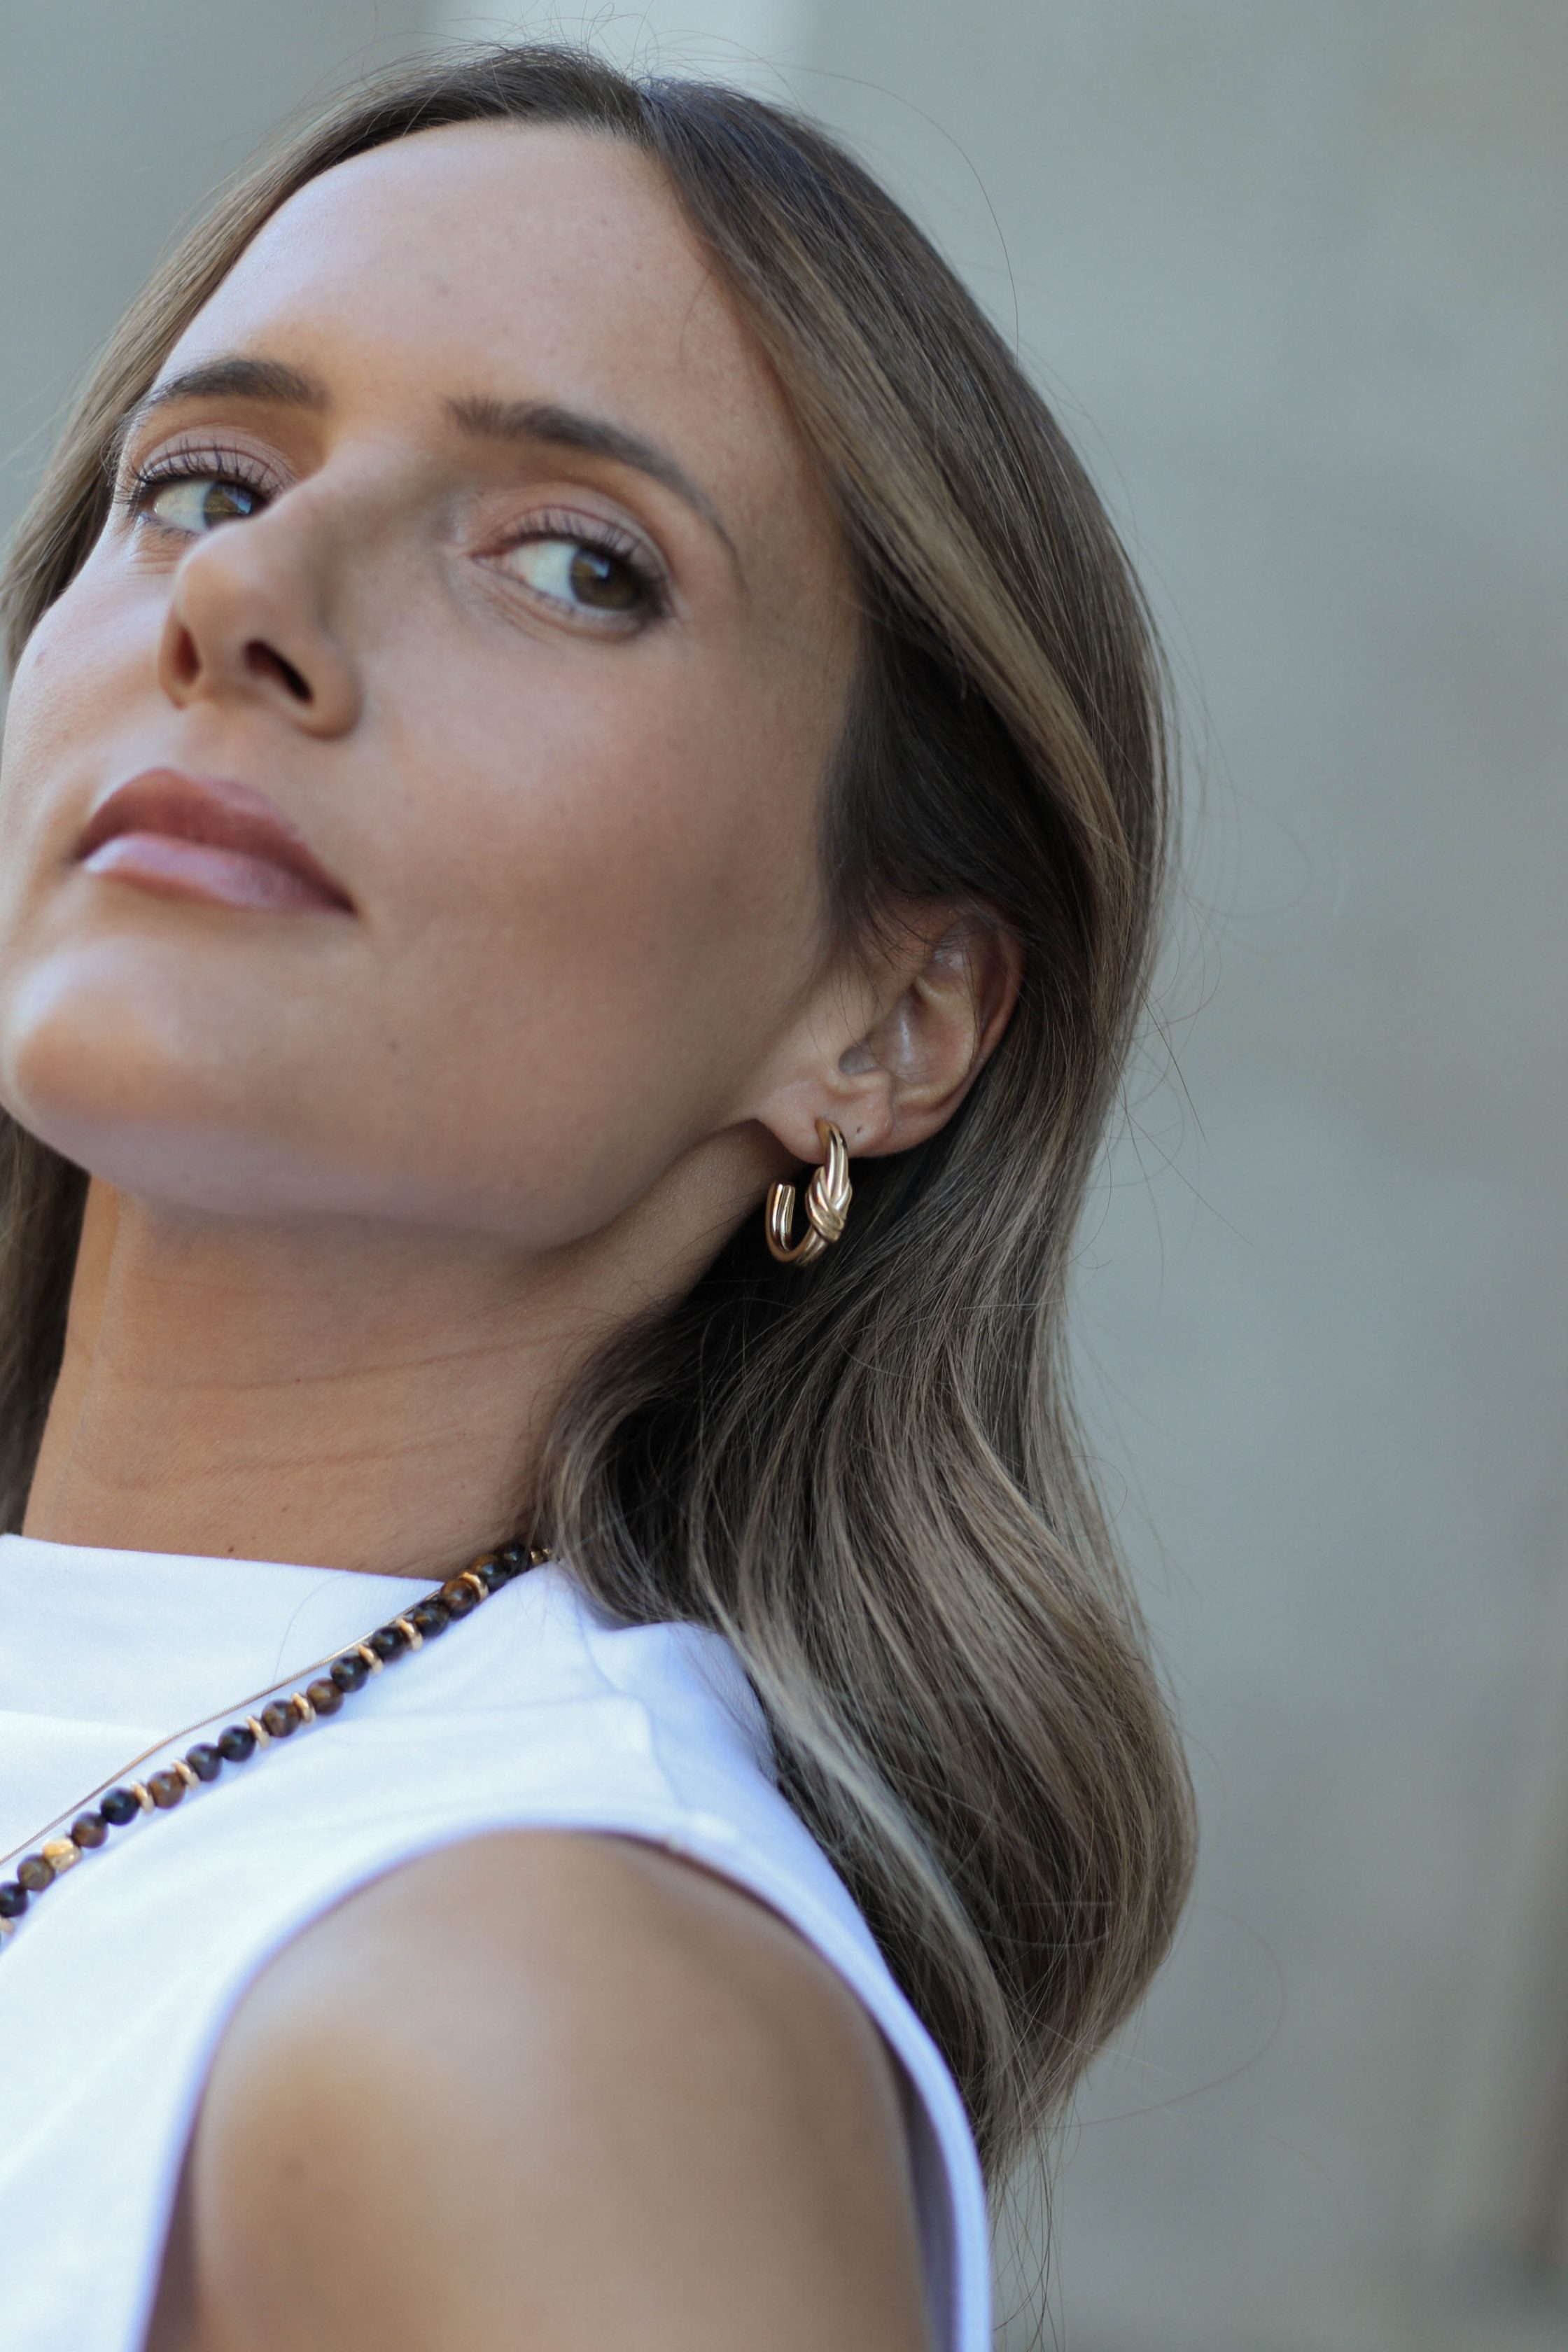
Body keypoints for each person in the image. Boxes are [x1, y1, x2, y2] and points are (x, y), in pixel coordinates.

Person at [0, 42, 1194, 2352]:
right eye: (202, 478)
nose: (244, 595)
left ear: (888, 1014)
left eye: (577, 565)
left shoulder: (535, 2014)